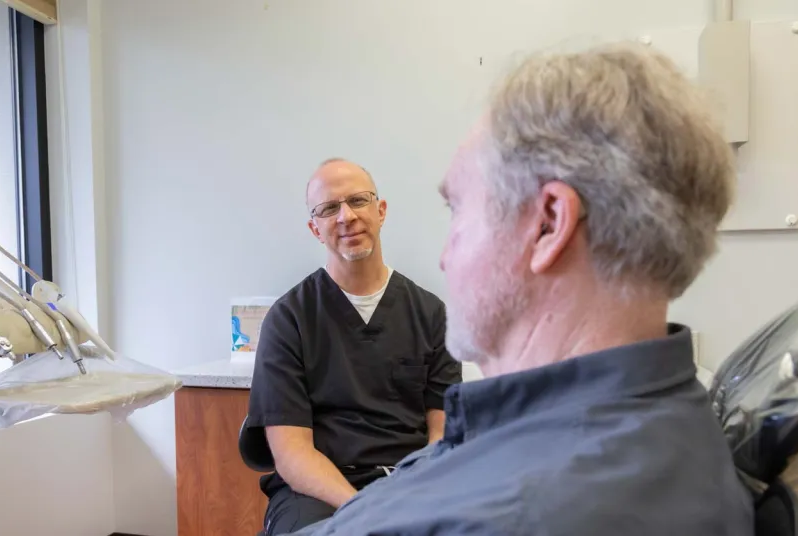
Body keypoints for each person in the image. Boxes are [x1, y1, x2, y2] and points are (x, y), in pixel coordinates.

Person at [284, 43, 755, 535]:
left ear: (549, 224)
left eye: (458, 210)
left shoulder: (513, 513)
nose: (445, 257)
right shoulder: (668, 440)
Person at [246, 158, 463, 535]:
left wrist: (410, 496)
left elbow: (442, 435)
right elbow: (292, 453)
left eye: (358, 201)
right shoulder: (289, 320)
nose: (346, 216)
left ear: (380, 211)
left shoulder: (430, 314)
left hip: (410, 482)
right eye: (329, 208)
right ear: (316, 229)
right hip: (317, 490)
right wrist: (362, 509)